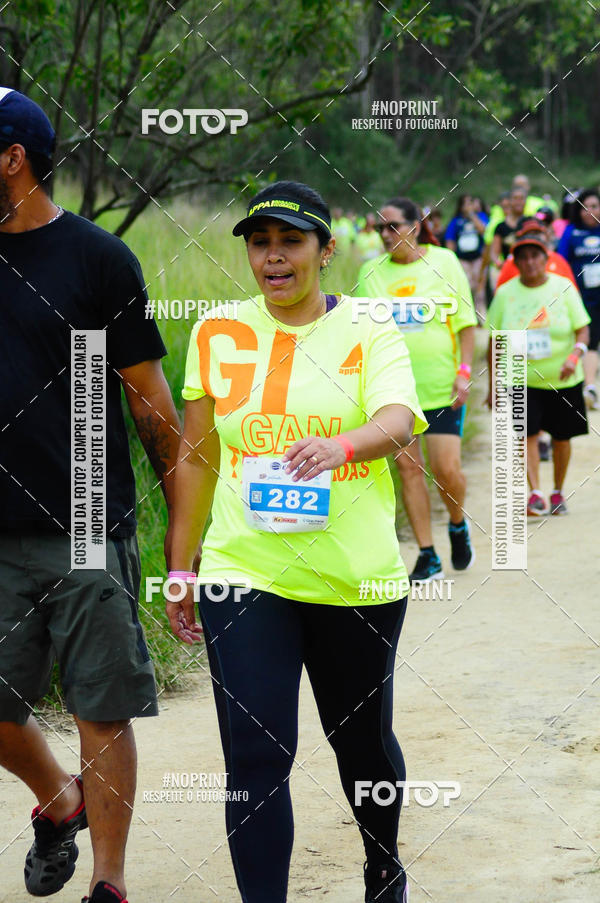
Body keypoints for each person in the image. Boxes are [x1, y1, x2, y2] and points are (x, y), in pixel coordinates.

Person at [168, 181, 427, 903]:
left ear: (325, 250)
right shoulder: (218, 330)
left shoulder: (371, 328)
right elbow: (195, 455)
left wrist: (342, 445)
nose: (273, 257)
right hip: (244, 569)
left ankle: (382, 861)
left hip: (354, 576)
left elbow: (401, 418)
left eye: (290, 242)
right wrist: (179, 565)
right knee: (255, 754)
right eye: (260, 242)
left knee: (362, 744)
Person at [0, 88, 181, 903]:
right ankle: (59, 796)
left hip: (82, 522)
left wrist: (185, 533)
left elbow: (152, 408)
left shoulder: (99, 260)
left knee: (101, 709)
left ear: (13, 159)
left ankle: (108, 883)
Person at [357, 197, 477, 582]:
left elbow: (465, 323)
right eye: (380, 228)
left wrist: (464, 371)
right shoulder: (369, 271)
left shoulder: (445, 262)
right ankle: (428, 554)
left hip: (440, 387)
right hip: (393, 392)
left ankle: (457, 523)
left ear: (416, 225)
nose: (385, 235)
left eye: (392, 226)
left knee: (446, 470)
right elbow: (359, 333)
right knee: (409, 469)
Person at [486, 231, 590, 515]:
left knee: (561, 438)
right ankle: (534, 493)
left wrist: (575, 355)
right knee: (526, 434)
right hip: (520, 377)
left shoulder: (564, 287)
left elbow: (583, 328)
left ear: (546, 259)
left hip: (562, 376)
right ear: (516, 263)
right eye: (523, 258)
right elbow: (495, 340)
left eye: (535, 256)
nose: (530, 262)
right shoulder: (505, 293)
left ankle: (557, 491)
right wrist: (493, 385)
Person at [557, 188, 600, 409]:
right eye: (585, 207)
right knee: (590, 341)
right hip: (583, 299)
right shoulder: (571, 233)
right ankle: (590, 388)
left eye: (594, 206)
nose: (590, 211)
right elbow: (561, 263)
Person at [496, 218, 578, 290]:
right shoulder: (510, 264)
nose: (534, 238)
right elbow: (501, 296)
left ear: (546, 236)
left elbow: (572, 292)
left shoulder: (559, 261)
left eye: (537, 233)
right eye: (529, 233)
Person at [444, 194, 489, 319]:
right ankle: (468, 315)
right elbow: (450, 240)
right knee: (467, 286)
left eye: (471, 203)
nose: (469, 206)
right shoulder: (455, 221)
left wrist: (472, 216)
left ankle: (480, 316)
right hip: (463, 259)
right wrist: (451, 259)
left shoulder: (480, 217)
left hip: (478, 258)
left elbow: (484, 231)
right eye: (466, 203)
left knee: (480, 287)